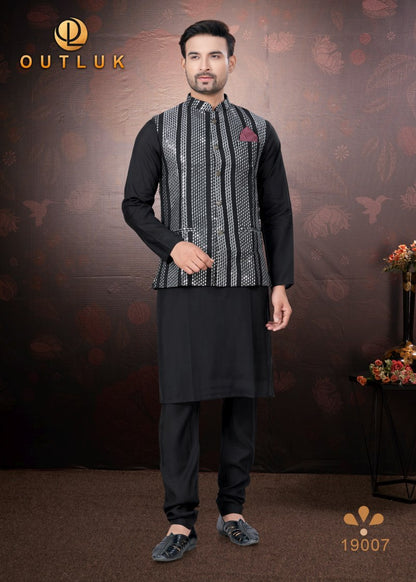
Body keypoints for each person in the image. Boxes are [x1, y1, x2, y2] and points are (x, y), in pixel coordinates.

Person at [122, 20, 294, 562]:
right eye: (194, 56)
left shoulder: (258, 130)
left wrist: (280, 283)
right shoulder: (158, 128)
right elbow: (133, 204)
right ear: (182, 63)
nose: (204, 65)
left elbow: (277, 211)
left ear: (231, 62)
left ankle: (233, 511)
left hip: (247, 282)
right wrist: (172, 246)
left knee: (242, 398)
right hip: (184, 285)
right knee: (179, 401)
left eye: (215, 55)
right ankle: (180, 522)